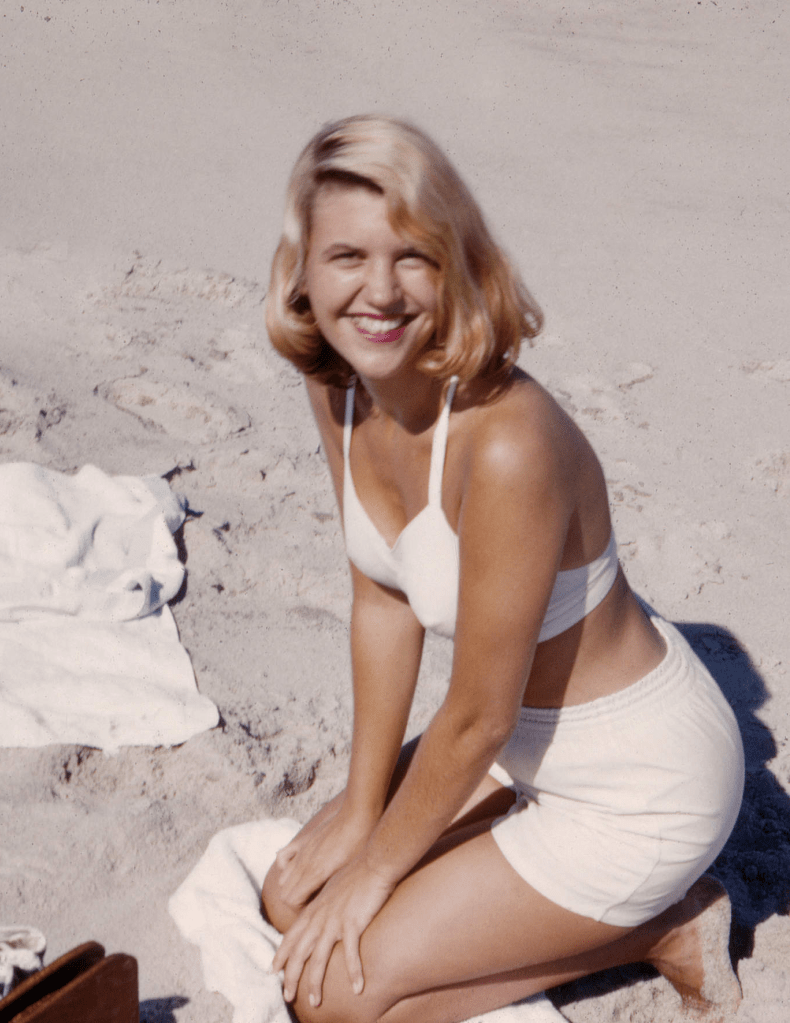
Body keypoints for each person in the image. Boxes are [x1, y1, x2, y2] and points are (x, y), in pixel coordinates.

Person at [260, 114, 744, 1023]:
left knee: (330, 997)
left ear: (454, 263)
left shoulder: (511, 442)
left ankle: (662, 924)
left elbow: (479, 711)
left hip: (634, 788)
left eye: (411, 256)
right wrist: (361, 812)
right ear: (304, 269)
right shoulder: (340, 385)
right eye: (347, 256)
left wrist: (374, 871)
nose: (378, 291)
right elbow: (382, 598)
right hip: (514, 745)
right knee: (292, 902)